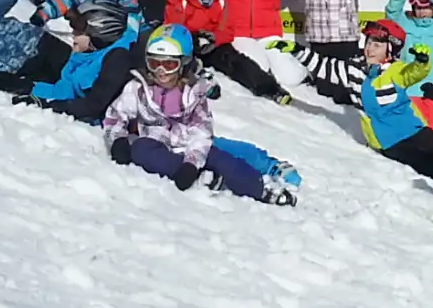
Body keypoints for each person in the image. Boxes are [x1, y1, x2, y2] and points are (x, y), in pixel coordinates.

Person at [101, 24, 298, 204]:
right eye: (154, 63)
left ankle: (263, 186)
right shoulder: (138, 88)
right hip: (158, 144)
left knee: (223, 157)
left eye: (169, 65)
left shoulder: (193, 94)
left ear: (184, 64)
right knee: (141, 150)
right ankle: (204, 177)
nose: (160, 71)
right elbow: (114, 116)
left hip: (192, 144)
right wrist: (117, 140)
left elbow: (202, 134)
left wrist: (192, 164)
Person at [354, 21, 433, 189]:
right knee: (431, 165)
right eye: (368, 43)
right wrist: (303, 54)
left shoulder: (395, 70)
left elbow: (412, 73)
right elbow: (326, 68)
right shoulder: (356, 72)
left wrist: (421, 62)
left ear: (390, 49)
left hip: (415, 129)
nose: (370, 49)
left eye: (376, 45)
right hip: (390, 141)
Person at [163, 0, 287, 101]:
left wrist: (214, 38)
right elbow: (172, 31)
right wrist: (193, 39)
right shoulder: (179, 1)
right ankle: (202, 82)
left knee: (234, 59)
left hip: (212, 45)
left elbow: (228, 30)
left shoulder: (221, 1)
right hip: (186, 46)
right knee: (183, 61)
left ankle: (268, 87)